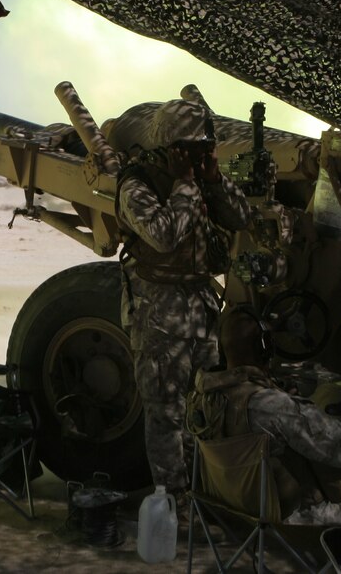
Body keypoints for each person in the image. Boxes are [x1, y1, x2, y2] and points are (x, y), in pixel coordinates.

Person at [116, 99, 251, 499]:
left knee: (204, 404)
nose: (195, 154)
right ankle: (172, 501)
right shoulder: (137, 184)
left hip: (200, 309)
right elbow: (163, 235)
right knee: (165, 412)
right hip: (160, 313)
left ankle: (205, 491)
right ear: (166, 146)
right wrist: (187, 184)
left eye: (201, 147)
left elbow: (241, 218)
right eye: (186, 147)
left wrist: (214, 181)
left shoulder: (198, 180)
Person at [189, 306, 341, 525]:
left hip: (232, 508)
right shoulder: (271, 407)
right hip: (292, 517)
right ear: (265, 348)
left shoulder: (203, 398)